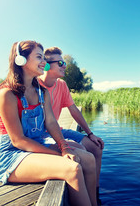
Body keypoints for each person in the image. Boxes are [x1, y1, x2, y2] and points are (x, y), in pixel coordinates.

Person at [0, 45, 104, 204]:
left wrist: (64, 147)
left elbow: (51, 122)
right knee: (73, 168)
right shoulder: (6, 93)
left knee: (89, 158)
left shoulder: (43, 92)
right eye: (39, 57)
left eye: (44, 57)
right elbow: (18, 141)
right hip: (11, 153)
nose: (44, 62)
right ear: (20, 60)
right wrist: (60, 154)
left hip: (36, 143)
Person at [39, 47, 104, 204]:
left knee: (96, 146)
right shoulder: (35, 85)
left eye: (65, 63)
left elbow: (73, 110)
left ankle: (95, 191)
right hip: (42, 135)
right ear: (46, 65)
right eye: (60, 63)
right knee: (80, 151)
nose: (64, 66)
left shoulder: (61, 85)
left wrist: (90, 133)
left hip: (58, 130)